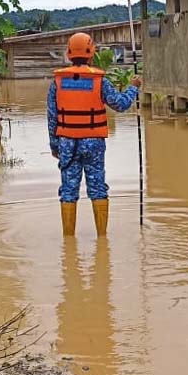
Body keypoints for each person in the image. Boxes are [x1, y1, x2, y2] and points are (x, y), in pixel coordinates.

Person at [47, 33, 141, 237]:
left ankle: (68, 241)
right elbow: (121, 104)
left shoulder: (57, 83)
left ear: (69, 53)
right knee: (97, 188)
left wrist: (55, 146)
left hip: (67, 144)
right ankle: (101, 239)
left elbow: (52, 117)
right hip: (93, 144)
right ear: (92, 53)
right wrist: (133, 88)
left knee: (69, 190)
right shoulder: (100, 81)